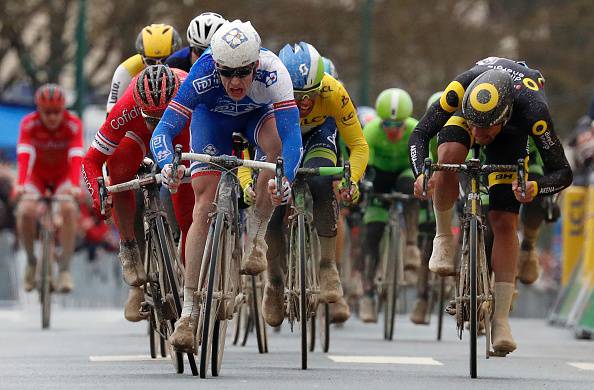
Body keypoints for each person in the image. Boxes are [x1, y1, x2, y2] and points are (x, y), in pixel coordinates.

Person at [150, 20, 303, 353]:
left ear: (256, 65)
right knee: (203, 204)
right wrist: (168, 165)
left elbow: (293, 136)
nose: (235, 81)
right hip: (212, 121)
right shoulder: (201, 73)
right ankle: (188, 315)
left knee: (274, 148)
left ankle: (258, 231)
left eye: (244, 73)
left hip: (256, 118)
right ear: (215, 64)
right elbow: (162, 131)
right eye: (227, 73)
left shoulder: (273, 71)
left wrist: (285, 178)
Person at [409, 57, 572, 354]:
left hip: (511, 135)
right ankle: (443, 238)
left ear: (505, 114)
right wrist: (421, 172)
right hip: (471, 110)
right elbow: (419, 134)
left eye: (486, 130)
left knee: (504, 220)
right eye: (475, 127)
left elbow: (563, 173)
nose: (479, 137)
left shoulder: (532, 110)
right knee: (449, 154)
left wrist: (535, 187)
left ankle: (500, 320)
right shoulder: (459, 88)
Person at [248, 42, 367, 327]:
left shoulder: (333, 92)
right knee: (271, 202)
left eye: (310, 96)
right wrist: (248, 179)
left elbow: (358, 145)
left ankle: (328, 266)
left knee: (322, 180)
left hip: (317, 136)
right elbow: (245, 139)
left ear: (321, 87)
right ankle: (274, 282)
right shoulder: (267, 90)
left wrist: (352, 178)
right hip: (277, 132)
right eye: (297, 96)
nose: (303, 104)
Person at [83, 65, 194, 322]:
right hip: (136, 134)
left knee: (187, 212)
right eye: (151, 118)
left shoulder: (189, 98)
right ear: (139, 105)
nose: (157, 125)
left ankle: (191, 281)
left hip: (181, 131)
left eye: (161, 117)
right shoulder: (127, 106)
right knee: (119, 166)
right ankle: (130, 249)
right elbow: (90, 161)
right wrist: (100, 196)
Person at [15, 83, 83, 293]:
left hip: (63, 177)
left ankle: (64, 269)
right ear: (38, 110)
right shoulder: (29, 123)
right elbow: (24, 155)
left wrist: (74, 185)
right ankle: (31, 261)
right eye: (47, 113)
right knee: (25, 211)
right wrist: (19, 184)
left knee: (69, 210)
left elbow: (76, 156)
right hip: (37, 177)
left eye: (56, 112)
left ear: (63, 109)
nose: (52, 118)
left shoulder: (73, 123)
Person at [359, 88, 420, 323]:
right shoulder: (372, 131)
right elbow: (366, 167)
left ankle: (412, 244)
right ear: (380, 122)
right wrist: (366, 185)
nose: (393, 131)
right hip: (380, 174)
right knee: (372, 235)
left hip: (404, 172)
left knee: (412, 186)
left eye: (398, 126)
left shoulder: (415, 129)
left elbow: (420, 162)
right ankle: (367, 295)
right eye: (387, 125)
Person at [106, 24, 182, 114]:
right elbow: (111, 111)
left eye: (165, 60)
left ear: (176, 56)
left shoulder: (183, 62)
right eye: (150, 62)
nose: (158, 67)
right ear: (141, 58)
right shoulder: (125, 70)